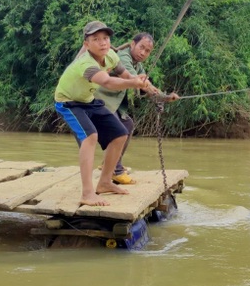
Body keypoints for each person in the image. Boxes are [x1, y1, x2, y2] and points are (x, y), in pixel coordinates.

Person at [54, 21, 159, 207]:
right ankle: (87, 193)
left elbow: (125, 74)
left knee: (120, 134)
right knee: (90, 137)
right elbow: (108, 82)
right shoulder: (86, 63)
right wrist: (135, 83)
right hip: (69, 103)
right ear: (86, 44)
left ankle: (104, 182)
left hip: (88, 101)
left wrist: (142, 83)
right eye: (96, 39)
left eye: (106, 38)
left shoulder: (110, 55)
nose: (103, 43)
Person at [94, 33, 179, 184]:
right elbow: (137, 81)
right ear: (133, 44)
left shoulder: (137, 65)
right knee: (119, 130)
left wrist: (164, 97)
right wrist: (164, 96)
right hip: (100, 100)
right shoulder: (123, 57)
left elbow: (143, 88)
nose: (143, 53)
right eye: (141, 48)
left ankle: (109, 164)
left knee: (128, 125)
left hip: (114, 103)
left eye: (147, 51)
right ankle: (115, 170)